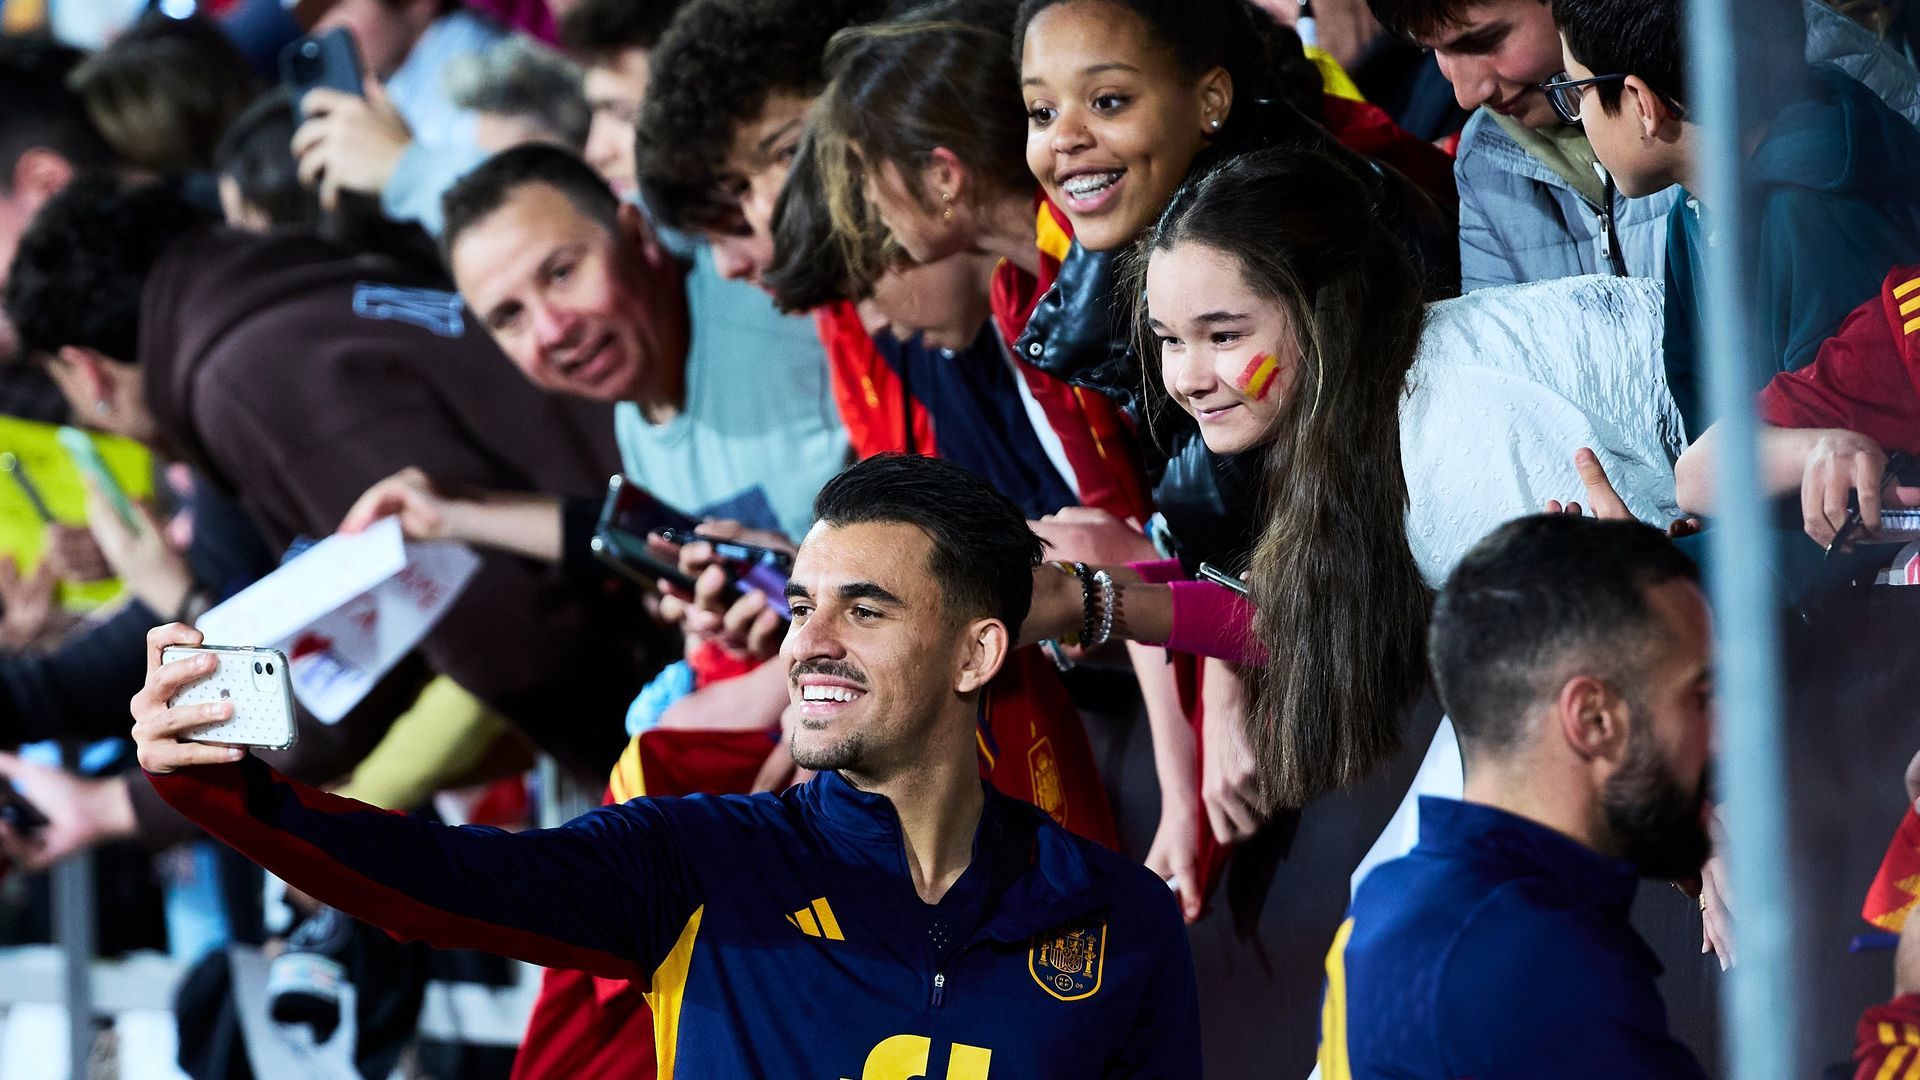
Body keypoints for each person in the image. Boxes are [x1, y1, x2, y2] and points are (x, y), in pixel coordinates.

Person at [132, 454, 1203, 1078]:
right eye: (800, 607)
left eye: (863, 610)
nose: (807, 643)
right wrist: (221, 791)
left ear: (977, 651)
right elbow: (432, 884)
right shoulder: (692, 860)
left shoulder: (1116, 919)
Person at [3, 173, 637, 840]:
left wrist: (121, 804)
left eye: (63, 388)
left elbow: (395, 650)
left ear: (86, 369)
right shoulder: (275, 282)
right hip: (658, 578)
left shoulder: (243, 378)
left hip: (678, 677)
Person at [1316, 513, 1712, 1078]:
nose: (1720, 732)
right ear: (1594, 718)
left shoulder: (1392, 899)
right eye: (1699, 697)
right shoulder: (1529, 959)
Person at [1549, 0, 1920, 435]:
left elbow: (1841, 442)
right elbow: (1698, 397)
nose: (1578, 117)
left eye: (1577, 90)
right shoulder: (1690, 211)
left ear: (1641, 102)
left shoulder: (1821, 214)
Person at [1365, 0, 1680, 291]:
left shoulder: (1703, 109)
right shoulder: (1484, 157)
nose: (1466, 95)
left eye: (1483, 41)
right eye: (1428, 48)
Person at [293, 0, 509, 233]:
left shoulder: (484, 62)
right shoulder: (391, 87)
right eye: (310, 20)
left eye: (340, 4)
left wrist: (403, 167)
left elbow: (506, 220)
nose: (323, 30)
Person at [443, 35, 592, 153]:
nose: (499, 93)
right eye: (484, 98)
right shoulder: (496, 135)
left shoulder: (520, 54)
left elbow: (571, 61)